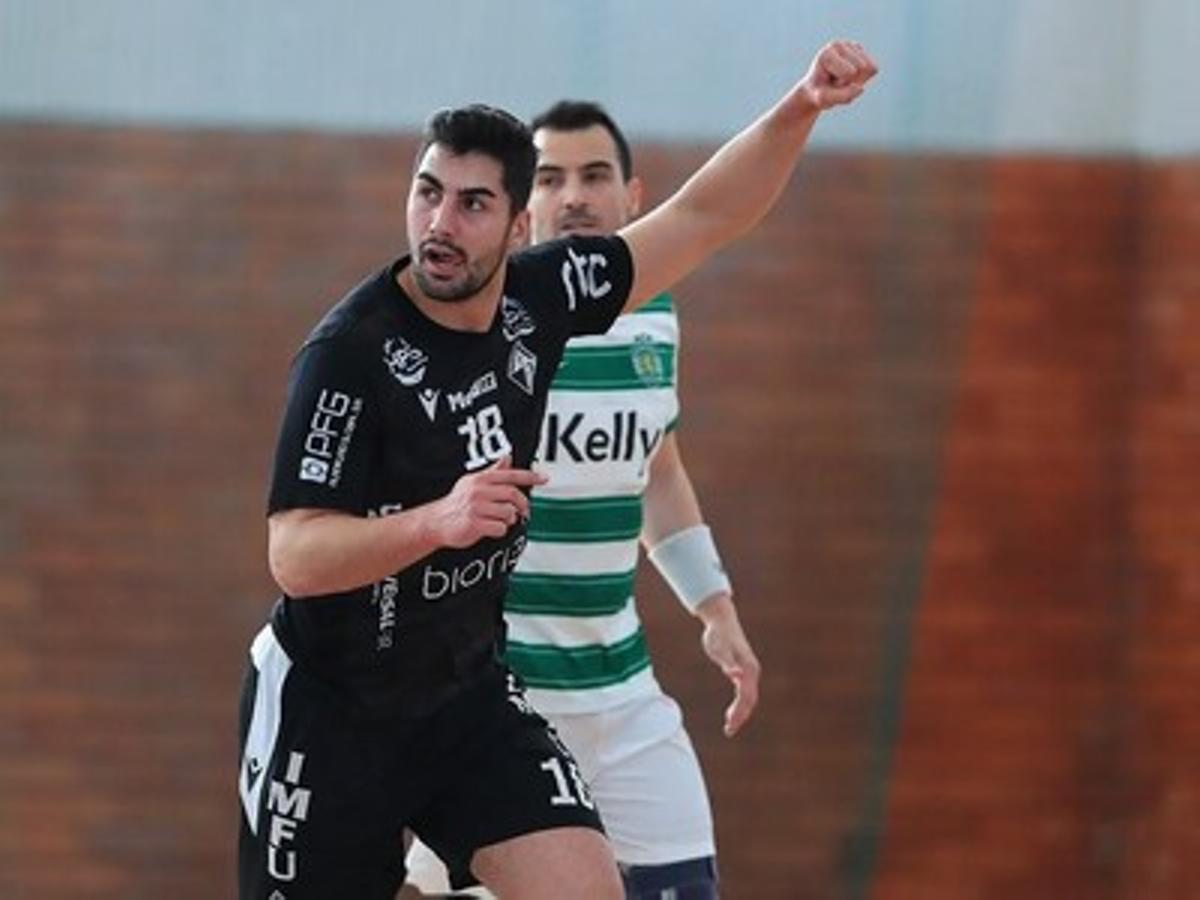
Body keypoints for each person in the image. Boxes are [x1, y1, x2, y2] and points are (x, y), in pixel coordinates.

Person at [237, 40, 877, 900]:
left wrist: (800, 106)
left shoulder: (546, 296)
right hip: (335, 704)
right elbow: (295, 556)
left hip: (465, 699)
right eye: (428, 194)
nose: (439, 224)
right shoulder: (348, 353)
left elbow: (700, 218)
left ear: (514, 225)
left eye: (471, 204)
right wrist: (437, 521)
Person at [405, 100, 762, 900]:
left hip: (623, 689)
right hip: (503, 698)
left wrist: (713, 605)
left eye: (594, 175)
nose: (573, 196)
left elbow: (658, 464)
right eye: (552, 178)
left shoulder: (657, 316)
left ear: (633, 196)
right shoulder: (484, 322)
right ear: (524, 210)